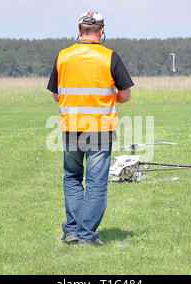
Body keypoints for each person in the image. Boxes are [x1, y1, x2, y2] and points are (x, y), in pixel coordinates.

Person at [47, 11, 134, 246]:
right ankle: (87, 236)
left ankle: (72, 231)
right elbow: (125, 95)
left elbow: (56, 96)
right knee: (96, 181)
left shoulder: (63, 57)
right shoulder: (110, 57)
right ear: (101, 32)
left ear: (79, 32)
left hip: (71, 128)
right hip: (99, 129)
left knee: (72, 177)